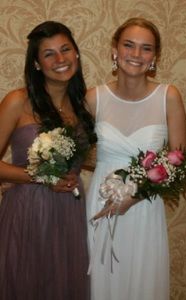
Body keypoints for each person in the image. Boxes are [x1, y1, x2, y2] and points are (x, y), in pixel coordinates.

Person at [85, 17, 186, 300]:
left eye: (146, 48)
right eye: (129, 45)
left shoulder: (169, 96)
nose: (136, 55)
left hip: (144, 206)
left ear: (154, 57)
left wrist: (135, 196)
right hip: (101, 204)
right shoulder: (94, 98)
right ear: (115, 50)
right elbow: (77, 152)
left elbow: (178, 160)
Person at [0, 21, 96, 300]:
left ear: (77, 54)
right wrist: (42, 176)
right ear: (37, 64)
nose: (60, 59)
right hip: (28, 212)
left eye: (66, 49)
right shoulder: (18, 101)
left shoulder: (83, 106)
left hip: (69, 212)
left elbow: (89, 159)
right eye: (49, 53)